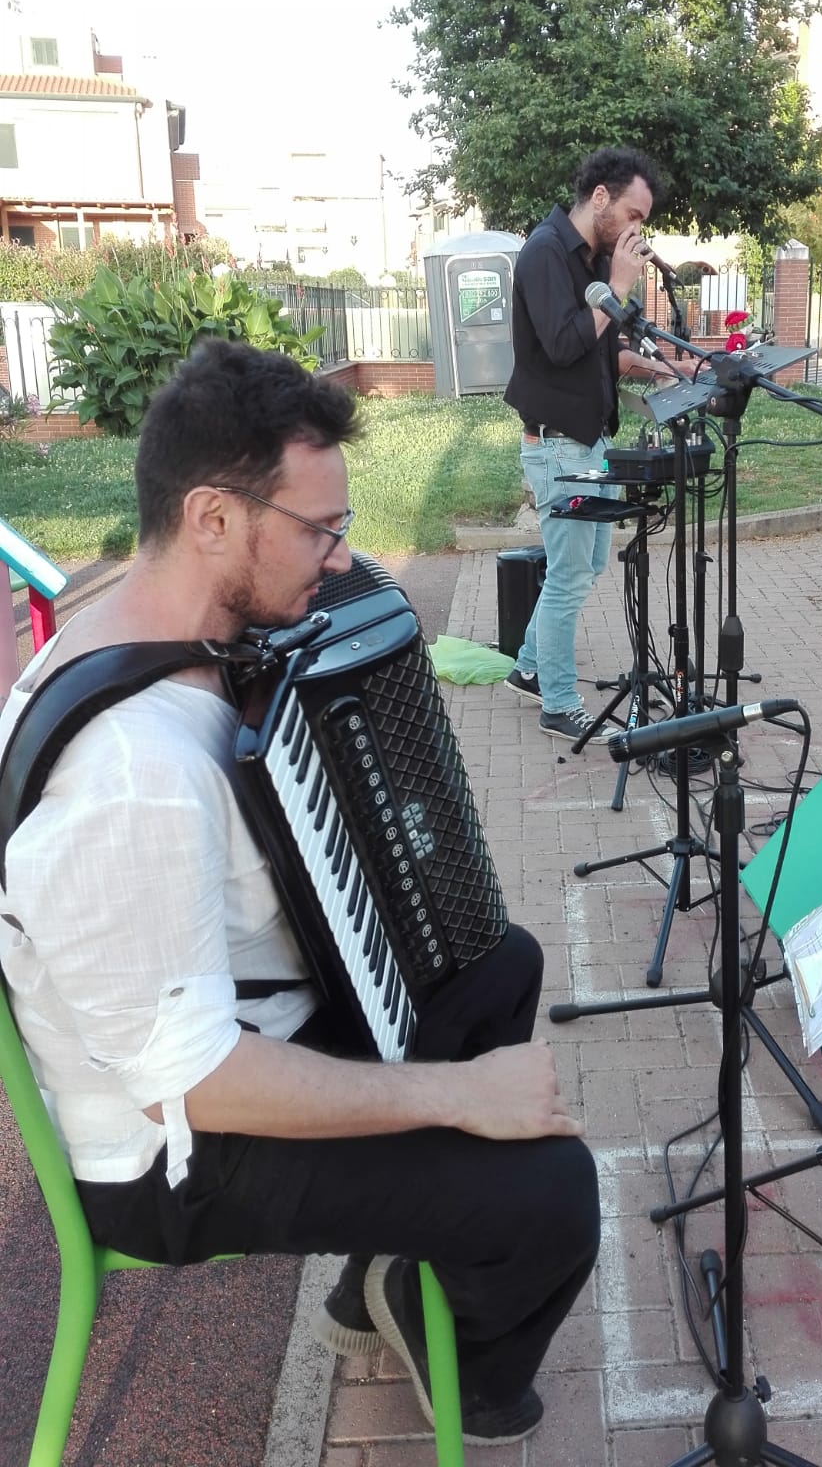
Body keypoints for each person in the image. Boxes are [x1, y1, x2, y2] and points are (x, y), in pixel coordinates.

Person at [0, 339, 599, 1447]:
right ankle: (461, 1363)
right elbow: (197, 1083)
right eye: (318, 530)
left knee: (497, 962)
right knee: (554, 1195)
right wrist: (459, 1099)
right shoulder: (131, 777)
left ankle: (375, 1283)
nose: (339, 558)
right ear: (214, 518)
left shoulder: (154, 631)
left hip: (231, 1033)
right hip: (174, 1155)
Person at [502, 146, 687, 740]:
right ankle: (557, 703)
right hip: (559, 445)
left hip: (591, 443)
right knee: (568, 574)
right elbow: (562, 344)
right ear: (601, 197)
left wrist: (668, 370)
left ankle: (530, 669)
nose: (638, 230)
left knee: (587, 564)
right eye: (634, 215)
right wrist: (617, 285)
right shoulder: (545, 253)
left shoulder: (590, 260)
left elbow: (603, 349)